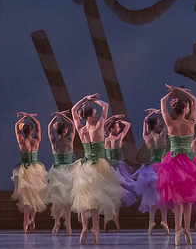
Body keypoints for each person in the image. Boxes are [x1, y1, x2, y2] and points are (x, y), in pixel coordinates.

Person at [155, 84, 196, 245]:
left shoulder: (170, 123)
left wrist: (171, 93)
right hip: (189, 163)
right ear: (185, 109)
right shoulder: (192, 122)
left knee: (177, 201)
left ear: (175, 109)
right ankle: (187, 229)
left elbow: (162, 102)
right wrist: (180, 91)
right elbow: (194, 99)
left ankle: (178, 230)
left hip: (173, 162)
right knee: (188, 200)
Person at [71, 94, 123, 245]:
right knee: (95, 199)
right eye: (95, 114)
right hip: (99, 165)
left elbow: (74, 110)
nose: (98, 115)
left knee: (84, 197)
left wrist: (84, 98)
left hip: (85, 166)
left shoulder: (81, 129)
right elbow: (106, 106)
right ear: (91, 117)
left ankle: (84, 227)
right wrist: (93, 100)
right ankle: (95, 228)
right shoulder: (99, 126)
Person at [133, 109, 169, 235]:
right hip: (161, 168)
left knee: (153, 198)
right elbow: (167, 123)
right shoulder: (161, 136)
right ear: (153, 125)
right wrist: (160, 113)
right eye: (158, 123)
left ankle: (151, 222)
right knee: (162, 197)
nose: (160, 125)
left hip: (149, 169)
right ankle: (164, 220)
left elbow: (144, 130)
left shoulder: (146, 137)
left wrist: (145, 119)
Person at [12, 112, 48, 233]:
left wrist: (23, 117)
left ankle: (25, 221)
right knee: (34, 196)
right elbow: (38, 124)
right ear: (31, 131)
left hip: (25, 171)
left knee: (27, 197)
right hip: (36, 170)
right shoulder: (36, 141)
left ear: (24, 131)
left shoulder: (21, 140)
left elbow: (16, 126)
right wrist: (30, 116)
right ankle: (32, 219)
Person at [103, 114, 138, 232]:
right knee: (117, 195)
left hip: (107, 168)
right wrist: (120, 120)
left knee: (109, 195)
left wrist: (112, 118)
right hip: (118, 168)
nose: (118, 129)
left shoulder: (105, 140)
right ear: (111, 129)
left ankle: (107, 221)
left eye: (118, 127)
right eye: (117, 127)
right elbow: (128, 125)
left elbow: (102, 125)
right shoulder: (118, 139)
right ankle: (115, 221)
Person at [46, 111, 76, 236]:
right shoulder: (70, 141)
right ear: (65, 131)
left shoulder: (54, 142)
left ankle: (57, 222)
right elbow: (73, 126)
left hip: (57, 172)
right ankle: (68, 225)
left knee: (57, 200)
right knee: (67, 201)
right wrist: (63, 116)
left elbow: (48, 128)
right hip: (68, 172)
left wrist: (56, 116)